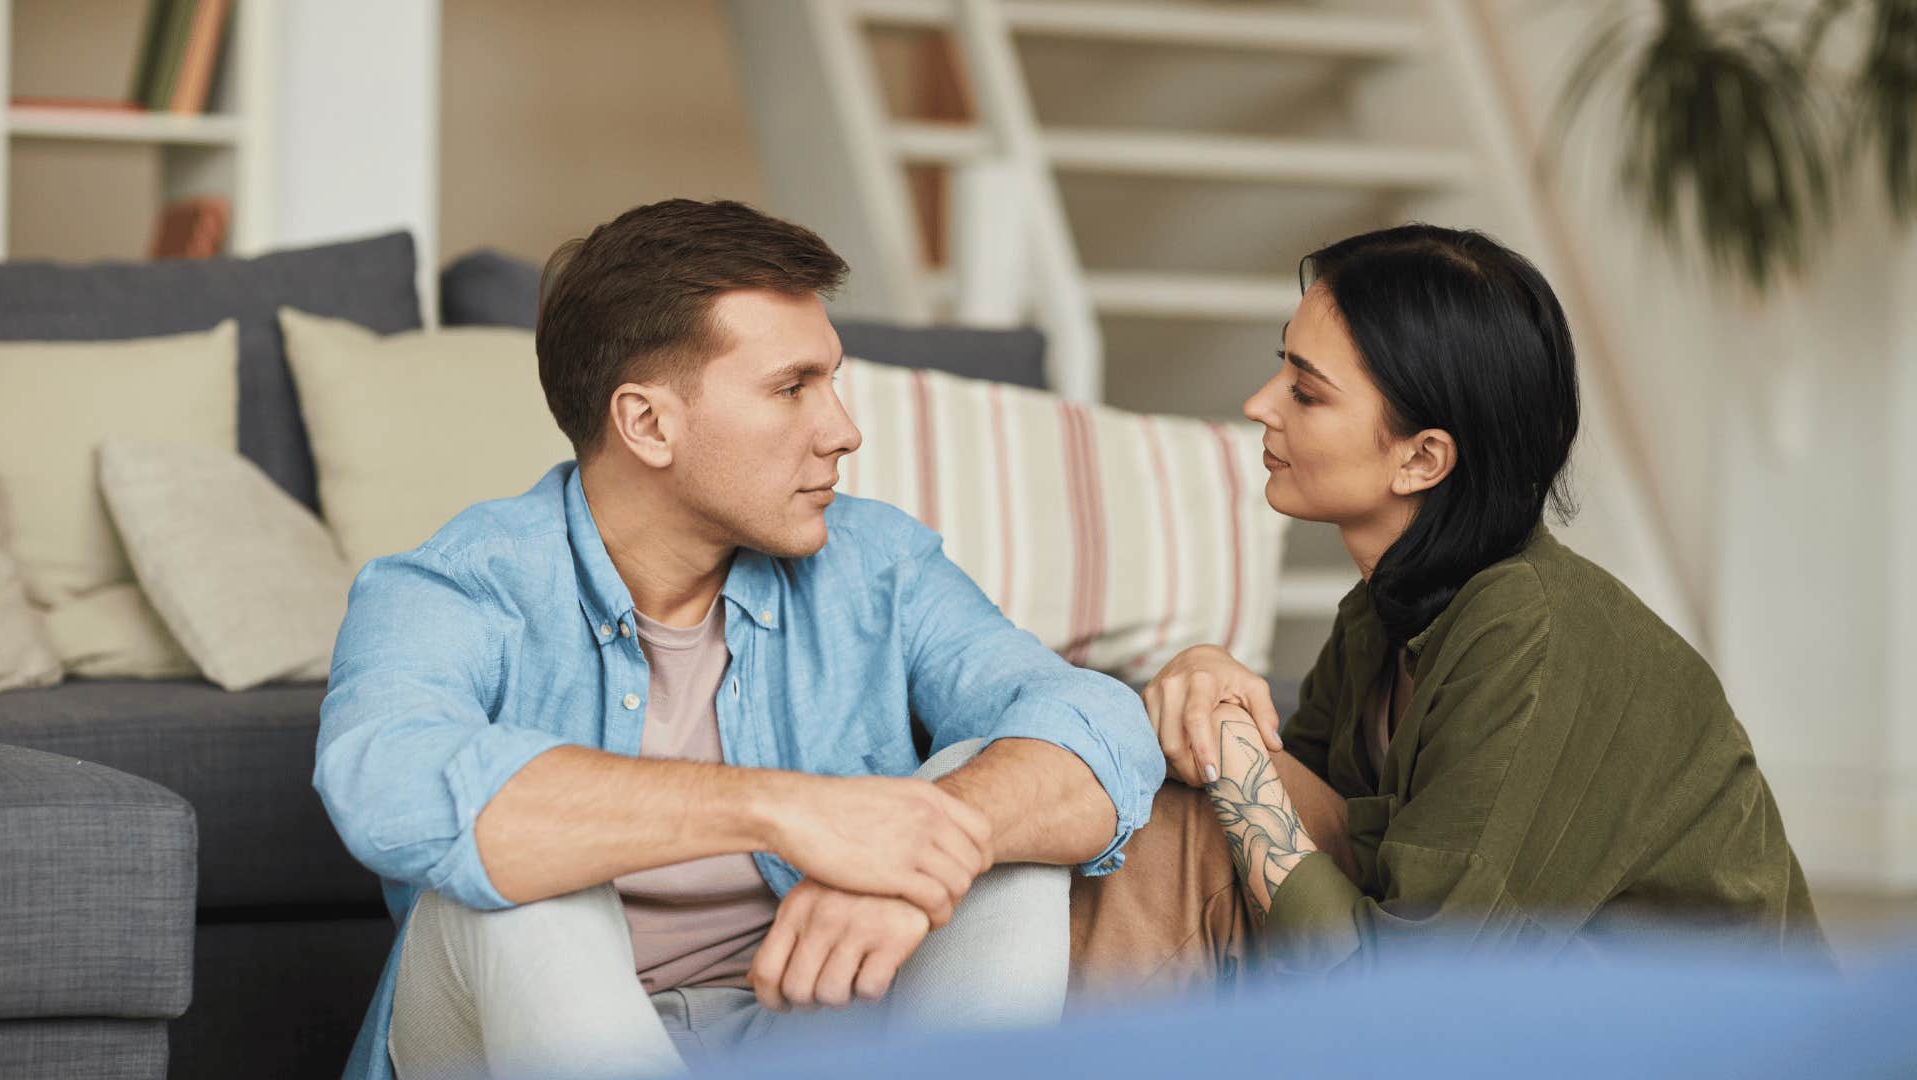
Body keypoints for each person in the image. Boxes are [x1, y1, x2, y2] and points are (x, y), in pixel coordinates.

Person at [314, 199, 1163, 1080]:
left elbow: (1093, 720)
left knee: (983, 819)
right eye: (792, 388)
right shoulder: (452, 584)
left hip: (809, 1030)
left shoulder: (878, 564)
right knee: (530, 877)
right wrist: (786, 810)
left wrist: (937, 841)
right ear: (647, 423)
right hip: (513, 1042)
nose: (842, 431)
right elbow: (383, 778)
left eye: (830, 383)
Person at [1070, 224, 1827, 990]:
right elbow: (1303, 830)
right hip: (1516, 1016)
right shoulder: (1382, 613)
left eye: (1305, 390)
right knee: (1179, 806)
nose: (1260, 405)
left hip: (1690, 1046)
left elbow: (1405, 992)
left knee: (1193, 815)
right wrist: (1207, 681)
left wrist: (1229, 756)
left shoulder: (1528, 632)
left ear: (1422, 457)